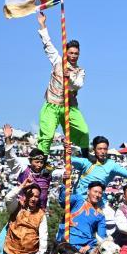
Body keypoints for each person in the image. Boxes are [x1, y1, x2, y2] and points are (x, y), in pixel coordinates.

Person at [67, 136, 127, 226]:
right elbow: (68, 159)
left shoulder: (111, 165)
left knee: (112, 221)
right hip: (81, 200)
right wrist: (66, 150)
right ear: (94, 149)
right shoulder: (86, 162)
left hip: (99, 202)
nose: (103, 151)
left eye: (105, 149)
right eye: (100, 149)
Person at [36, 12, 89, 157]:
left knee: (84, 131)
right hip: (52, 105)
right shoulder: (58, 61)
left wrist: (69, 77)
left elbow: (78, 85)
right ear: (66, 53)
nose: (73, 56)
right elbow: (47, 44)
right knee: (47, 136)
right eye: (71, 53)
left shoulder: (80, 71)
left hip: (69, 106)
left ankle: (86, 158)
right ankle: (41, 161)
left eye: (76, 53)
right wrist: (42, 24)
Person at [4, 123, 62, 209]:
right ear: (30, 161)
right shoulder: (23, 169)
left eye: (41, 162)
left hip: (40, 212)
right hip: (23, 211)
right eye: (37, 162)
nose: (39, 165)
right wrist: (8, 138)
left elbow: (62, 174)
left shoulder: (47, 172)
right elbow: (10, 156)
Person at [55, 181, 107, 254]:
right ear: (88, 191)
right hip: (66, 240)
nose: (97, 195)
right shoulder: (78, 200)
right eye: (95, 192)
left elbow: (102, 237)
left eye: (100, 193)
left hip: (84, 248)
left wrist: (88, 246)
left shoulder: (100, 215)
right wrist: (65, 185)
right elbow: (64, 201)